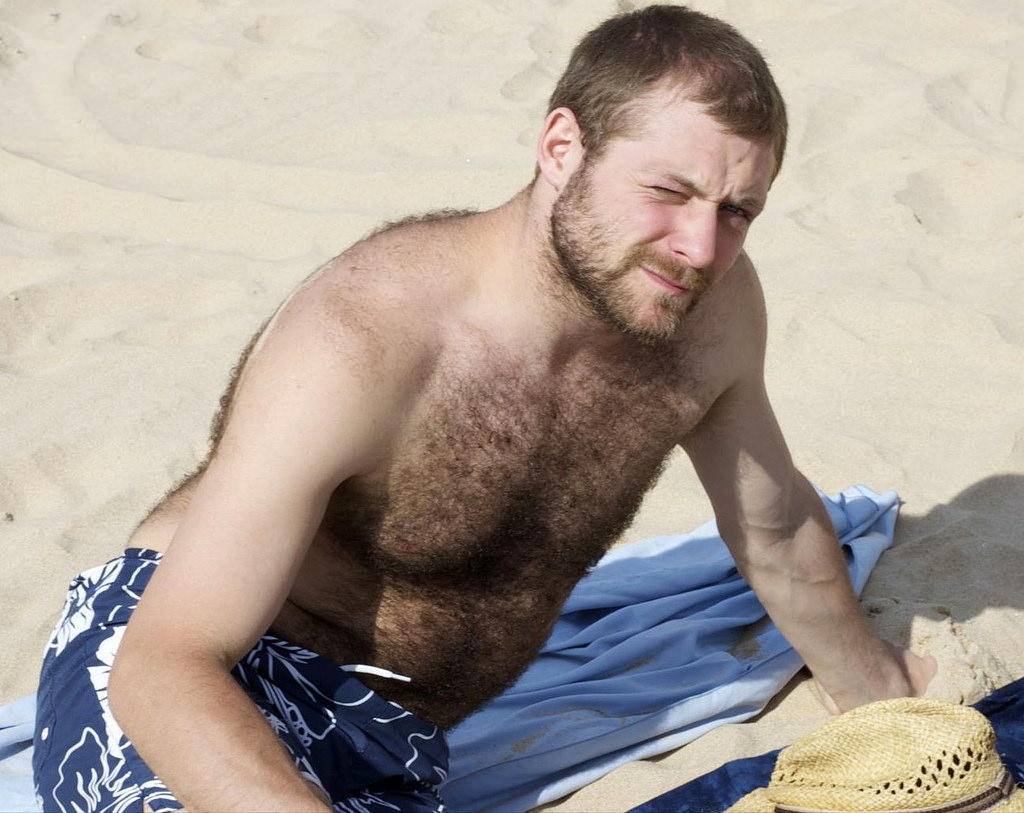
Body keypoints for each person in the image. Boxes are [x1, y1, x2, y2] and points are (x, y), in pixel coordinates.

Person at [32, 5, 936, 811]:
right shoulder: (364, 339)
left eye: (739, 211)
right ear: (561, 148)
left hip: (392, 748)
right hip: (192, 667)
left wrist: (880, 694)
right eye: (668, 192)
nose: (701, 247)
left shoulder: (711, 314)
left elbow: (773, 527)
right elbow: (165, 666)